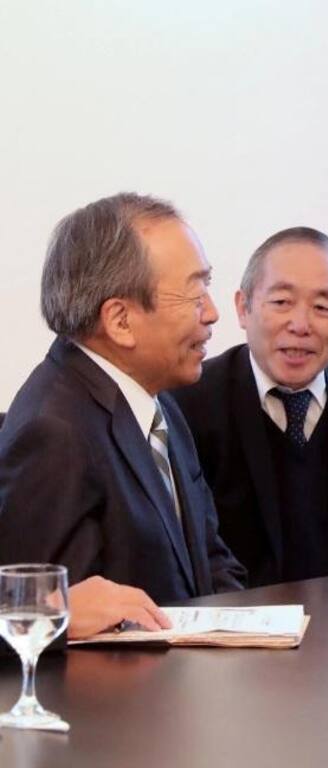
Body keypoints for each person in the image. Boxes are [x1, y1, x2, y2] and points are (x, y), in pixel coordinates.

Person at [0, 193, 245, 639]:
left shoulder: (157, 402)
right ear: (120, 321)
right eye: (195, 293)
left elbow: (208, 560)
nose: (211, 313)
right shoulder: (54, 431)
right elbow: (31, 621)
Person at [171, 227, 328, 587]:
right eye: (281, 302)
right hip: (236, 616)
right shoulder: (187, 402)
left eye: (322, 307)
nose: (300, 325)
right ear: (243, 308)